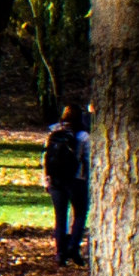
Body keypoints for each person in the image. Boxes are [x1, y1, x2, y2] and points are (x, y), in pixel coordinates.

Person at [47, 97, 91, 267]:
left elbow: (45, 156)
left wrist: (46, 180)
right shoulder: (84, 136)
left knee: (60, 216)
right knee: (80, 214)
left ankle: (60, 253)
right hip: (76, 180)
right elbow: (87, 159)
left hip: (55, 180)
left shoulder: (53, 132)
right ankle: (73, 245)